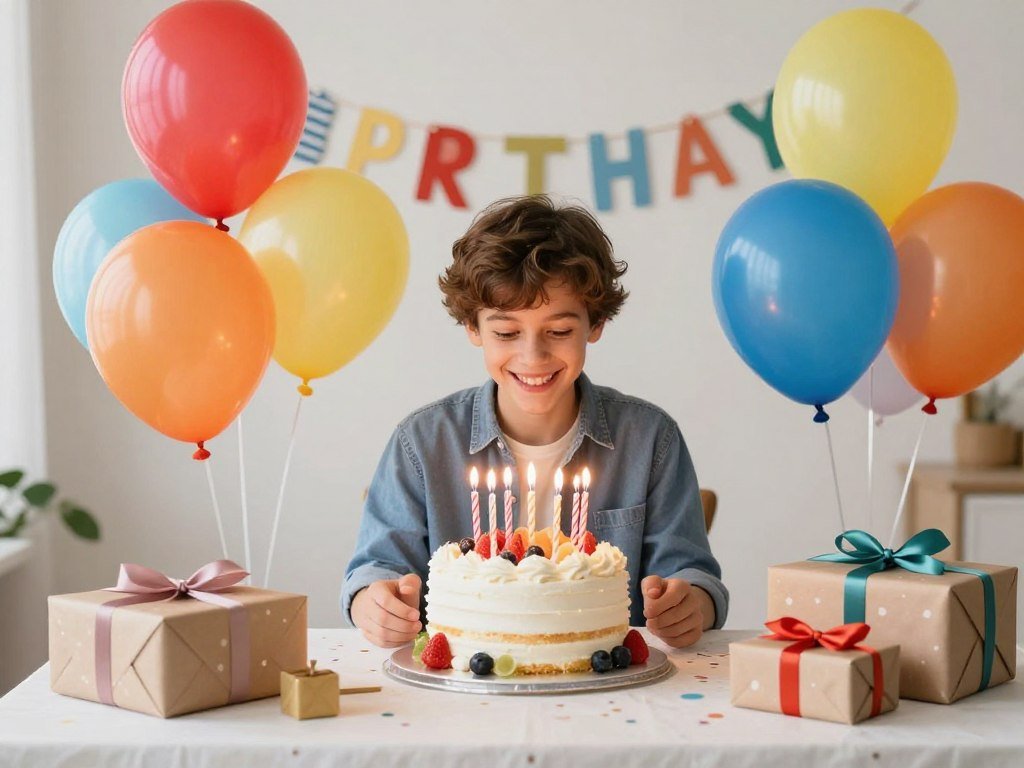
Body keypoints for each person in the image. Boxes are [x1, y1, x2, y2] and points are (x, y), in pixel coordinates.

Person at [343, 195, 727, 649]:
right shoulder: (422, 443)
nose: (533, 357)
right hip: (466, 684)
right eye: (506, 333)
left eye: (559, 331)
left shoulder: (648, 439)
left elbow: (692, 574)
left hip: (604, 684)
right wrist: (372, 601)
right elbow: (376, 570)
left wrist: (691, 604)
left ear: (596, 322)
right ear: (472, 328)